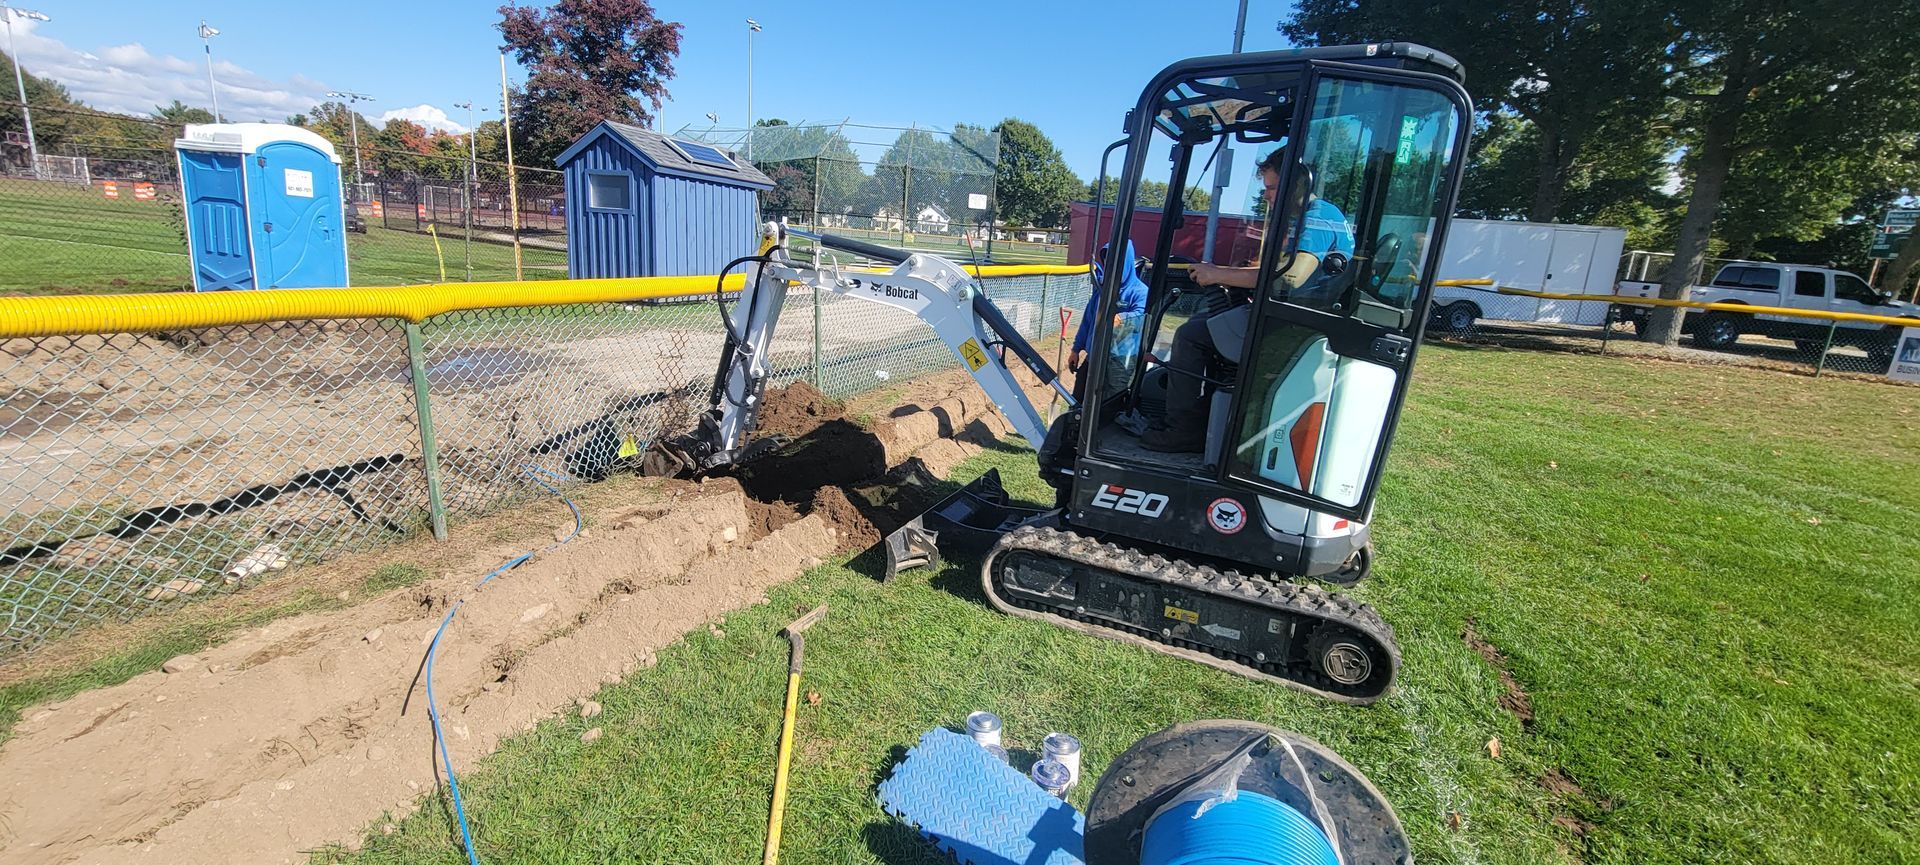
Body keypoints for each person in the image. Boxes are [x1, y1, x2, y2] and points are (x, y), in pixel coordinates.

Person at [1141, 152, 1353, 453]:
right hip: (1294, 317)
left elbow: (1290, 279)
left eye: (1271, 187)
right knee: (1204, 322)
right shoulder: (1323, 216)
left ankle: (1184, 429)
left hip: (1290, 324)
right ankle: (1204, 417)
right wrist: (1232, 274)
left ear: (1297, 186)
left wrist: (1217, 273)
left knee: (1190, 336)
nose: (1265, 195)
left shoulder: (1317, 216)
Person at [1069, 240, 1150, 397]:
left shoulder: (1140, 292)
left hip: (1120, 360)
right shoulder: (1102, 290)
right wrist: (1076, 349)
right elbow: (1088, 320)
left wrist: (1123, 317)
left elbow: (1141, 316)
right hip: (1094, 356)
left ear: (1125, 262)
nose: (1111, 265)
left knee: (1111, 405)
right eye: (1107, 260)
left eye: (1115, 261)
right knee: (1078, 401)